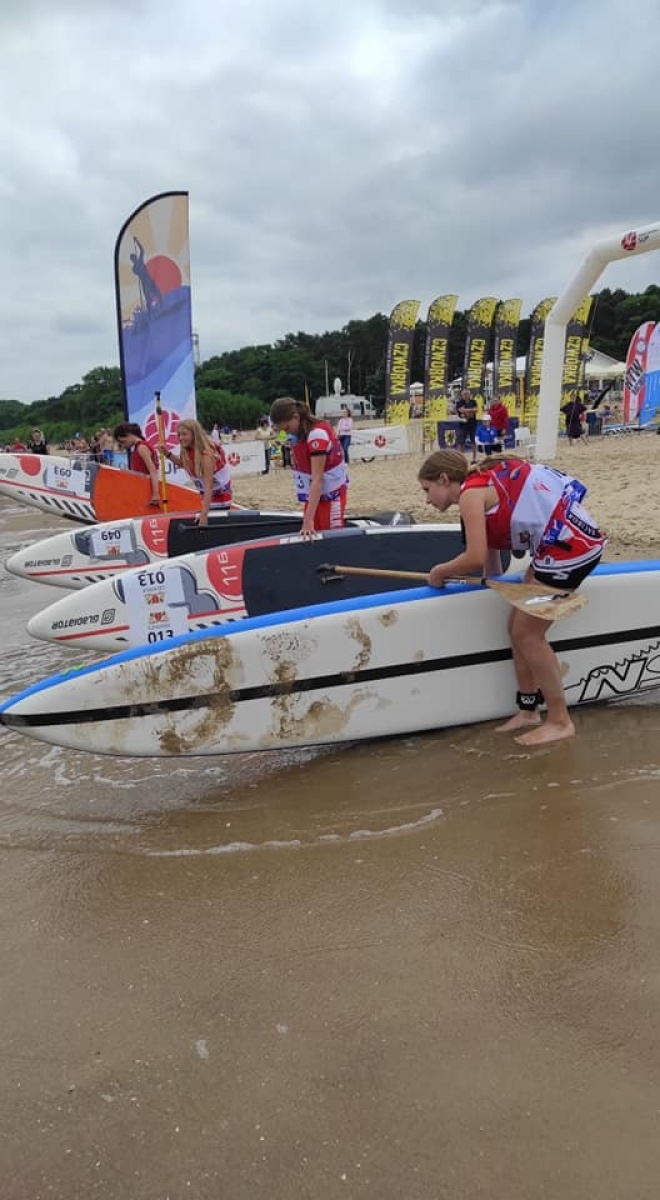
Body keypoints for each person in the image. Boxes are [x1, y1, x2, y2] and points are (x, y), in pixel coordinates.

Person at [417, 449, 605, 747]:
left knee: (528, 634)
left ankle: (560, 721)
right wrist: (495, 585)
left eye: (427, 490)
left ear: (443, 479)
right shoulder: (478, 486)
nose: (427, 499)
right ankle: (528, 710)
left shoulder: (469, 496)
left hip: (572, 548)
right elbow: (490, 559)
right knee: (515, 625)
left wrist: (440, 572)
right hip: (560, 544)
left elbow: (474, 556)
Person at [270, 396, 348, 535]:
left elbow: (317, 479)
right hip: (314, 496)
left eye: (287, 428)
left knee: (330, 539)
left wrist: (307, 520)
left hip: (330, 496)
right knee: (311, 535)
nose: (287, 433)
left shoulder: (316, 435)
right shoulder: (299, 434)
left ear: (296, 417)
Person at [161, 417, 232, 526]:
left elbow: (209, 487)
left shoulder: (206, 455)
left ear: (194, 435)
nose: (180, 438)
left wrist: (204, 514)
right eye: (179, 434)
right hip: (207, 497)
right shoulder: (187, 451)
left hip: (219, 497)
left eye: (184, 434)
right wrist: (167, 454)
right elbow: (183, 464)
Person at [113, 422, 161, 506]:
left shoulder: (141, 448)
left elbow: (153, 470)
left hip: (148, 490)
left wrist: (156, 494)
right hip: (143, 489)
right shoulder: (139, 447)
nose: (123, 446)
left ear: (129, 434)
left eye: (123, 441)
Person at [455, 389, 478, 462]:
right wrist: (471, 410)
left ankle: (474, 459)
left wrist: (466, 410)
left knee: (473, 442)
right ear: (462, 395)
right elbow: (461, 410)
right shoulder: (459, 402)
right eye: (464, 394)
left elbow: (476, 410)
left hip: (472, 424)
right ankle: (461, 459)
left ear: (469, 394)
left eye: (467, 394)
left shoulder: (473, 401)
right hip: (463, 425)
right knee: (461, 443)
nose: (466, 395)